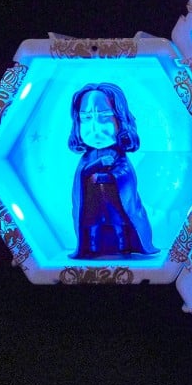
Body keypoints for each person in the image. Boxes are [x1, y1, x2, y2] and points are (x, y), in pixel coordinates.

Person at [67, 82, 158, 259]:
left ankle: (124, 246)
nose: (95, 129)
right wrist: (96, 166)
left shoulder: (118, 156)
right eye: (86, 118)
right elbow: (82, 176)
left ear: (119, 119)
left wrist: (108, 176)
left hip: (115, 202)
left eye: (104, 116)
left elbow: (125, 176)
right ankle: (91, 247)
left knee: (118, 222)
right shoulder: (86, 159)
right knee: (92, 223)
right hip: (92, 203)